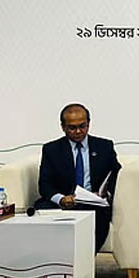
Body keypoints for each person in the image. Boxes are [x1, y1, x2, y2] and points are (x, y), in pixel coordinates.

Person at [35, 103, 121, 252]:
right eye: (72, 128)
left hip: (93, 202)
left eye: (82, 126)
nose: (78, 131)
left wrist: (104, 194)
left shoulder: (104, 146)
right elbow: (45, 184)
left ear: (88, 123)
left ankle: (86, 259)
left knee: (101, 215)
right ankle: (54, 257)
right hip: (66, 201)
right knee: (41, 208)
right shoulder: (52, 149)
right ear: (63, 127)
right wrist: (61, 199)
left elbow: (117, 175)